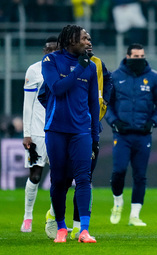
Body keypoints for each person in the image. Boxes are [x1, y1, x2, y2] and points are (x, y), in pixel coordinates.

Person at [44, 32, 113, 240]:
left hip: (82, 131)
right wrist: (79, 69)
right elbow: (55, 89)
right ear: (71, 41)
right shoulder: (51, 60)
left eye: (90, 38)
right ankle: (62, 228)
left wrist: (94, 135)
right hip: (56, 130)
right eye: (84, 38)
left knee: (84, 179)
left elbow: (94, 102)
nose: (89, 42)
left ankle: (84, 230)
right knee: (58, 180)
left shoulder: (92, 66)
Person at [105, 43, 157, 226]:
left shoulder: (153, 77)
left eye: (142, 56)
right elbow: (106, 103)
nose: (139, 60)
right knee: (118, 172)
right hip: (122, 134)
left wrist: (153, 122)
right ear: (127, 57)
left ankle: (135, 215)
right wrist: (115, 122)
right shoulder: (115, 77)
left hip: (143, 134)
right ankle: (117, 203)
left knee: (140, 175)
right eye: (136, 57)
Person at [20, 36, 58, 233]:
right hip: (37, 132)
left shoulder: (66, 69)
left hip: (59, 129)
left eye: (54, 50)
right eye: (47, 50)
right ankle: (28, 216)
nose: (50, 53)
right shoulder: (34, 70)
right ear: (44, 51)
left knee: (61, 176)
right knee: (35, 175)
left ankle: (53, 215)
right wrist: (27, 134)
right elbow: (28, 104)